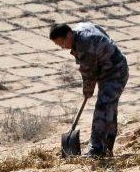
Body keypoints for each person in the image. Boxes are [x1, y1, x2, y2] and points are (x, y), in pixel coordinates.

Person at [50, 22, 128, 158]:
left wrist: (87, 91)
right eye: (59, 45)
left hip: (116, 72)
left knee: (102, 108)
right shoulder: (82, 27)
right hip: (109, 69)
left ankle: (96, 150)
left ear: (68, 34)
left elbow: (89, 74)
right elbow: (100, 30)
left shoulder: (84, 45)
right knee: (109, 109)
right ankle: (107, 148)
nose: (63, 47)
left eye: (62, 43)